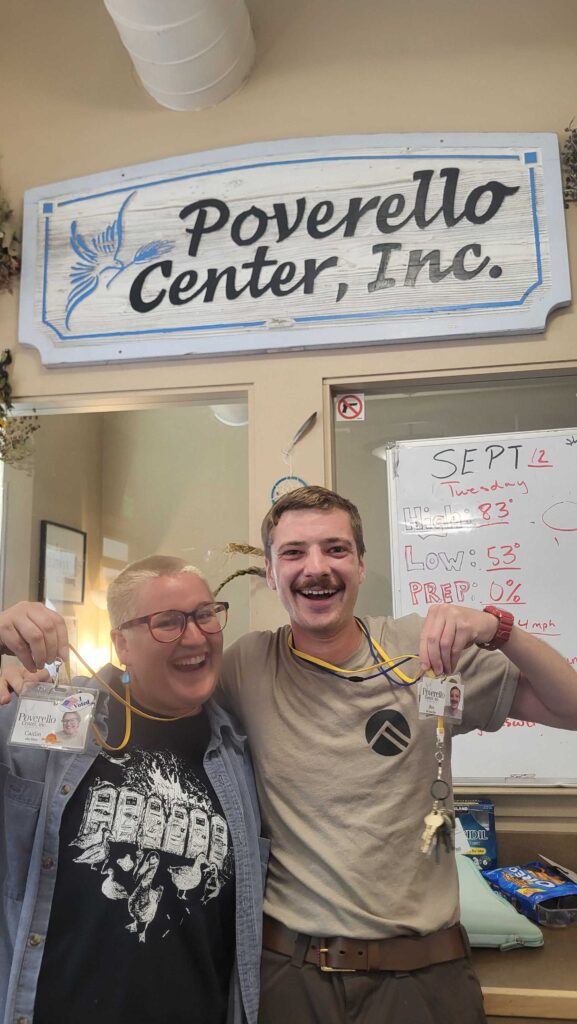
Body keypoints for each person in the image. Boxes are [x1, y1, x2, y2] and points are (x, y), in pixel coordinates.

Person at [219, 486, 577, 1024]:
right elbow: (158, 705)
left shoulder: (425, 651)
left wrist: (499, 630)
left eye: (336, 549)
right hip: (291, 978)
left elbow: (570, 708)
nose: (317, 568)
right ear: (271, 573)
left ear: (361, 565)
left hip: (424, 978)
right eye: (293, 552)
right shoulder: (248, 666)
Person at [0, 556, 266, 1024]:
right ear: (121, 642)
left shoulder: (241, 750)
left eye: (205, 614)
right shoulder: (49, 717)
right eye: (168, 622)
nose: (196, 636)